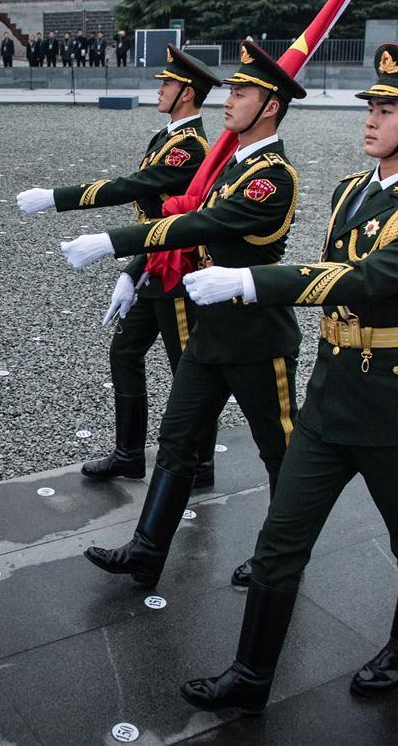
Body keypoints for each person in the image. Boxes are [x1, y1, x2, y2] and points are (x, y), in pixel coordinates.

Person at [179, 43, 398, 713]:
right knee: (280, 539)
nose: (371, 117)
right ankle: (250, 677)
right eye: (371, 104)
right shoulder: (350, 189)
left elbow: (367, 279)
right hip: (331, 393)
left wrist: (253, 280)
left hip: (397, 403)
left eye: (389, 107)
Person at [59, 40, 306, 589]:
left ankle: (281, 555)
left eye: (243, 92)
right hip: (211, 331)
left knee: (280, 451)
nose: (230, 98)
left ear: (270, 106)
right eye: (233, 89)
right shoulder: (230, 167)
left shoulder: (272, 176)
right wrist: (135, 269)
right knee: (176, 442)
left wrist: (111, 241)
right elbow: (185, 219)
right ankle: (147, 550)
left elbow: (196, 226)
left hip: (256, 336)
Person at [16, 46, 224, 493]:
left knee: (186, 369)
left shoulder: (190, 145)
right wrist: (132, 272)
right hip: (153, 263)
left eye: (168, 84)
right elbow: (150, 219)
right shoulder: (168, 136)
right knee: (125, 353)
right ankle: (130, 455)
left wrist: (58, 197)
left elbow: (135, 187)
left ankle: (201, 463)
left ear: (187, 93)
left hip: (179, 272)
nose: (161, 89)